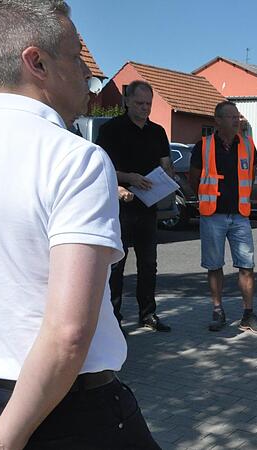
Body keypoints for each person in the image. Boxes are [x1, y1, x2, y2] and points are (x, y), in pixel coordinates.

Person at [0, 1, 158, 448]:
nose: (88, 74)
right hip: (61, 410)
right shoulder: (73, 158)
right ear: (37, 63)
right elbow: (68, 335)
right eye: (76, 57)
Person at [97, 80, 173, 332]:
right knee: (117, 265)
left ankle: (148, 314)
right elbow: (102, 168)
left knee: (149, 263)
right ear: (127, 101)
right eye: (140, 103)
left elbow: (166, 163)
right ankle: (113, 319)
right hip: (120, 207)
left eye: (148, 104)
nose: (144, 108)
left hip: (148, 207)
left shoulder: (157, 132)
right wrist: (129, 178)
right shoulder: (111, 130)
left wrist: (166, 173)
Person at [189, 101, 257, 334]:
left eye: (238, 116)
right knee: (214, 265)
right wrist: (207, 197)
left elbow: (250, 176)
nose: (237, 120)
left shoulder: (248, 145)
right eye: (232, 117)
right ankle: (218, 310)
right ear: (218, 120)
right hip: (212, 215)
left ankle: (248, 314)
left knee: (247, 265)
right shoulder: (203, 146)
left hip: (240, 215)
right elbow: (194, 179)